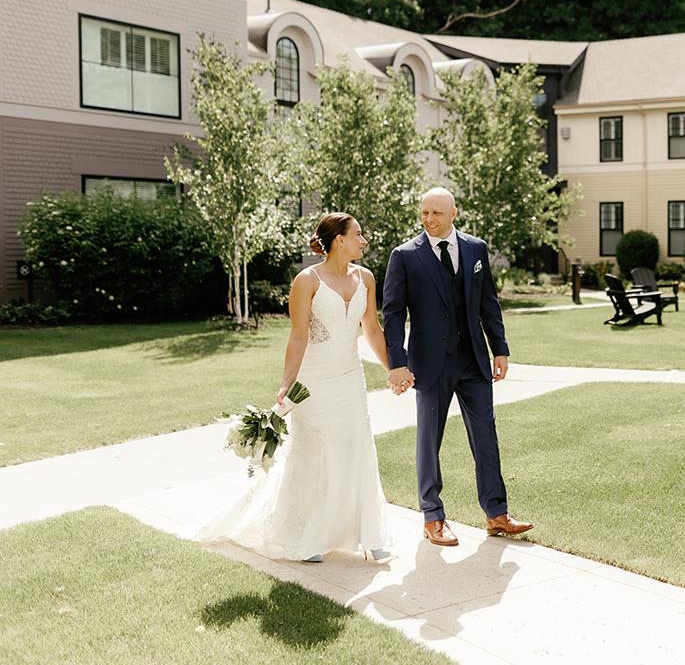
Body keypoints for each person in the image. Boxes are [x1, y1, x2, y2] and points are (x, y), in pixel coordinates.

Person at [197, 213, 397, 563]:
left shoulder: (365, 278)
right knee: (315, 452)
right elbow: (298, 336)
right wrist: (286, 383)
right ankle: (309, 536)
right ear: (339, 240)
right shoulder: (307, 281)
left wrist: (392, 369)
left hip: (350, 378)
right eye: (358, 235)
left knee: (356, 447)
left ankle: (369, 532)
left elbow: (372, 330)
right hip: (314, 381)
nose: (364, 241)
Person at [382, 187, 533, 546]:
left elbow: (488, 304)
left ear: (454, 213)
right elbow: (392, 314)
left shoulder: (475, 248)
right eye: (424, 213)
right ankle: (432, 516)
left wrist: (500, 349)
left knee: (486, 437)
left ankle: (496, 514)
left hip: (473, 361)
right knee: (429, 440)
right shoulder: (404, 256)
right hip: (430, 365)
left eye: (436, 213)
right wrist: (397, 363)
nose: (429, 219)